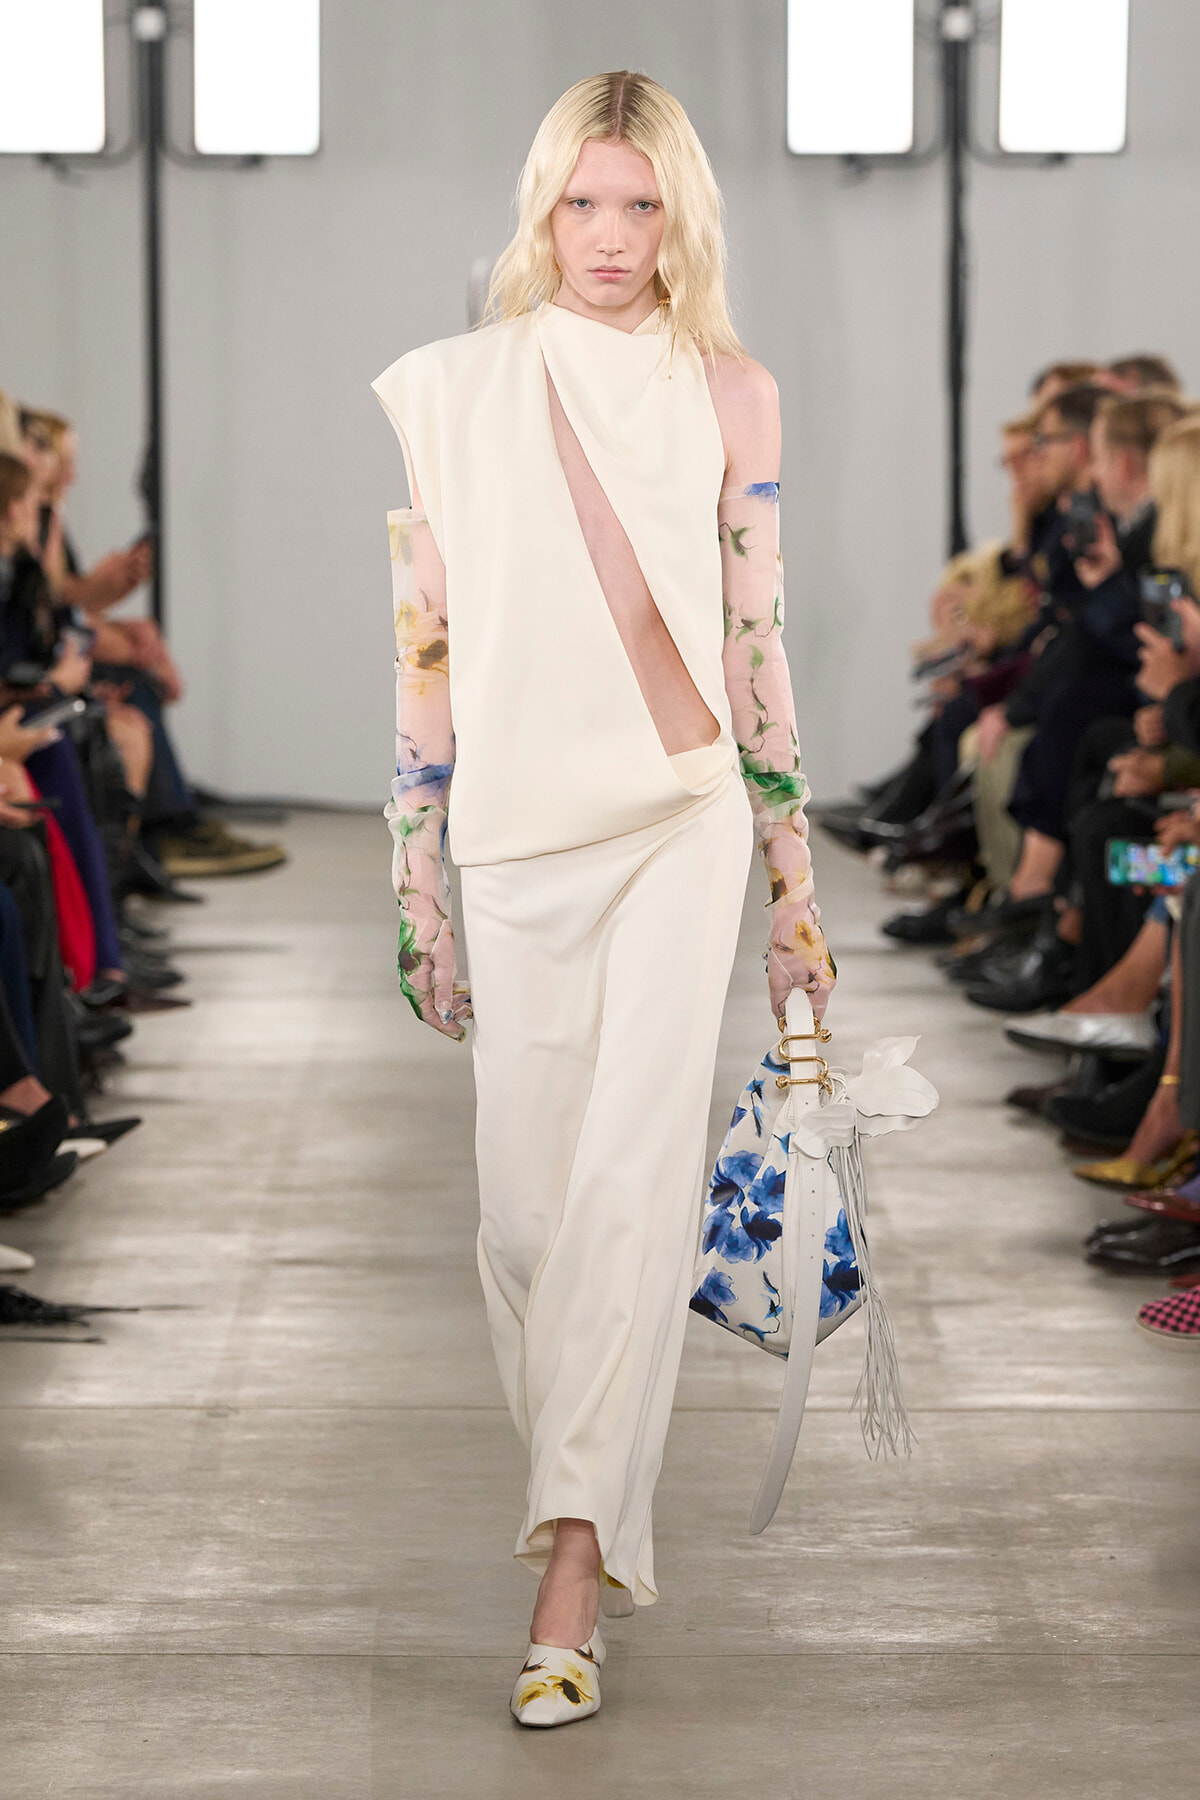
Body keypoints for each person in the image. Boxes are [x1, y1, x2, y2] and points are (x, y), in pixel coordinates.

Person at [371, 70, 834, 1729]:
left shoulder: (734, 394)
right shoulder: (452, 391)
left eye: (643, 206)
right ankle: (582, 1504)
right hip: (514, 832)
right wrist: (417, 875)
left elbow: (758, 649)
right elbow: (425, 654)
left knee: (632, 1198)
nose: (614, 238)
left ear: (681, 216)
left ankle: (572, 1569)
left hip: (683, 820)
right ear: (542, 207)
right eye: (585, 203)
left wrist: (793, 890)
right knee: (526, 1222)